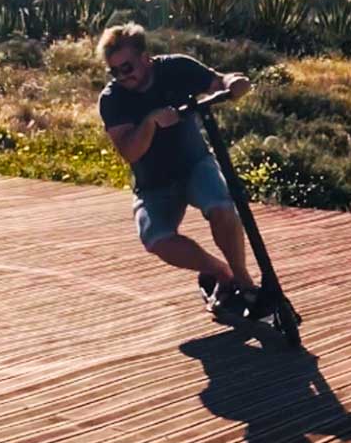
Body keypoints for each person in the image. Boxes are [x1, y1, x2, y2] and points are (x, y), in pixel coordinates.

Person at [95, 23, 256, 312]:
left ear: (145, 57)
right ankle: (221, 272)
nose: (123, 76)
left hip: (194, 164)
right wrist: (150, 122)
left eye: (127, 66)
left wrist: (234, 83)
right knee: (156, 238)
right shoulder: (112, 99)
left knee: (221, 207)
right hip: (154, 182)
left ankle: (245, 282)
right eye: (114, 71)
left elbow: (219, 81)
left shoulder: (177, 68)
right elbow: (130, 152)